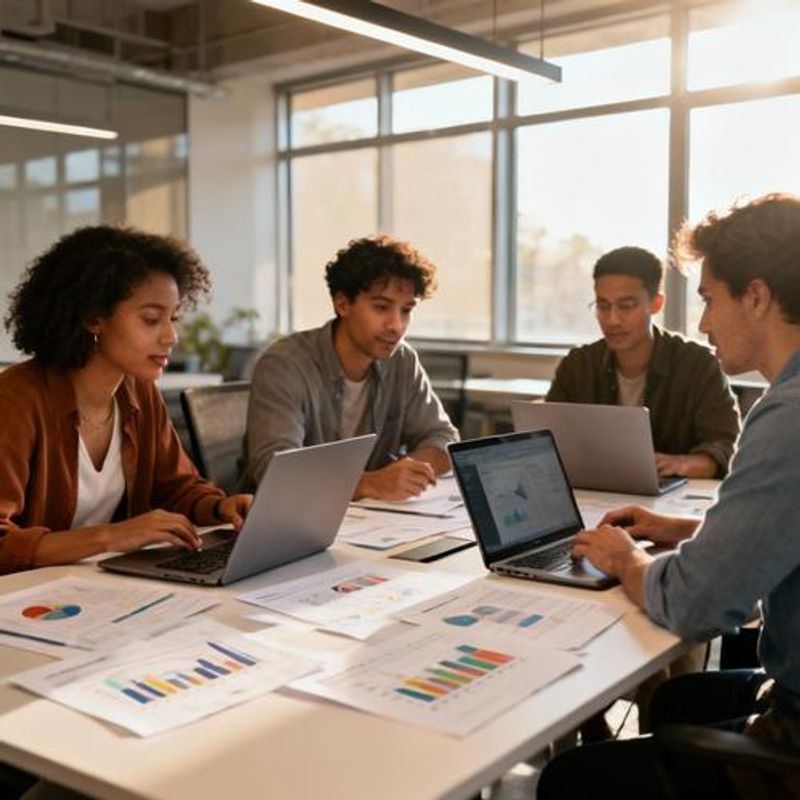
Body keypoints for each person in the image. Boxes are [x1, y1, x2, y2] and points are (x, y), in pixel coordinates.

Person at [538, 193, 800, 800]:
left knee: (573, 779)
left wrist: (625, 558)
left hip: (795, 725)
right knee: (681, 696)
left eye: (709, 298)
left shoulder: (787, 416)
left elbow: (695, 604)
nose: (703, 321)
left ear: (756, 296)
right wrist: (683, 530)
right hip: (783, 679)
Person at [0, 225, 253, 573]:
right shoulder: (16, 399)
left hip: (99, 591)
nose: (171, 336)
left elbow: (176, 488)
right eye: (151, 319)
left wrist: (219, 507)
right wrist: (109, 537)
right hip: (27, 602)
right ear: (93, 317)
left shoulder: (138, 391)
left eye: (173, 318)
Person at [242, 234, 459, 501]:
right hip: (282, 523)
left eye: (406, 310)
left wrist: (405, 473)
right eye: (381, 307)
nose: (396, 326)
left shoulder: (401, 360)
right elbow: (275, 471)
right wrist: (371, 483)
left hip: (369, 522)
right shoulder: (284, 365)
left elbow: (443, 438)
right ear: (342, 303)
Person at [546, 246, 739, 478]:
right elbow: (549, 441)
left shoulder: (698, 364)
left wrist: (679, 464)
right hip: (595, 490)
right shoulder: (578, 365)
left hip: (672, 495)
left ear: (656, 304)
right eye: (603, 306)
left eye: (626, 306)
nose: (612, 320)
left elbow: (724, 448)